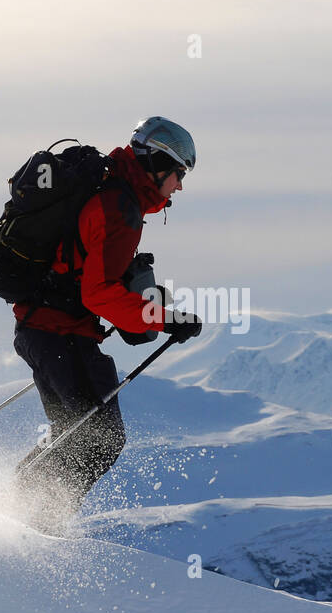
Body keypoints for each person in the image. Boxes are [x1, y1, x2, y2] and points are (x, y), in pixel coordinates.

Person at [12, 116, 203, 532]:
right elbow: (96, 294)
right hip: (58, 333)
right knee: (99, 441)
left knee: (75, 435)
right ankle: (33, 524)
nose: (180, 186)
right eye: (179, 174)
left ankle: (21, 511)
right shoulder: (121, 209)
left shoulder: (111, 193)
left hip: (46, 329)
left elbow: (87, 275)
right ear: (157, 164)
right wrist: (165, 319)